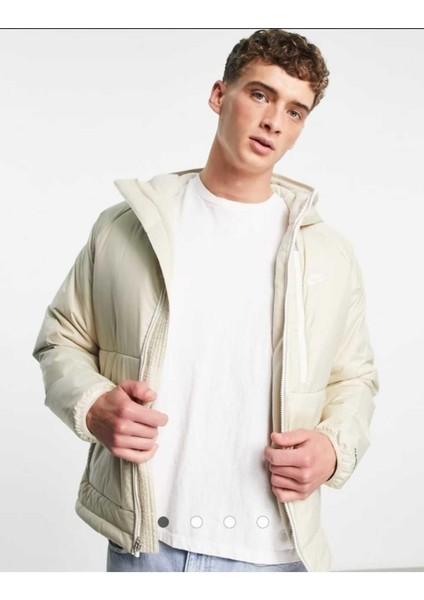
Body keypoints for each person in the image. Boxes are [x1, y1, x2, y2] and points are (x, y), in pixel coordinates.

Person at [33, 28, 378, 572]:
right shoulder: (127, 228)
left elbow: (354, 378)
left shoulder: (328, 255)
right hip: (147, 546)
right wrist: (93, 404)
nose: (274, 121)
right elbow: (61, 340)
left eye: (295, 111)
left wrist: (333, 448)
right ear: (220, 95)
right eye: (260, 95)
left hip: (275, 554)